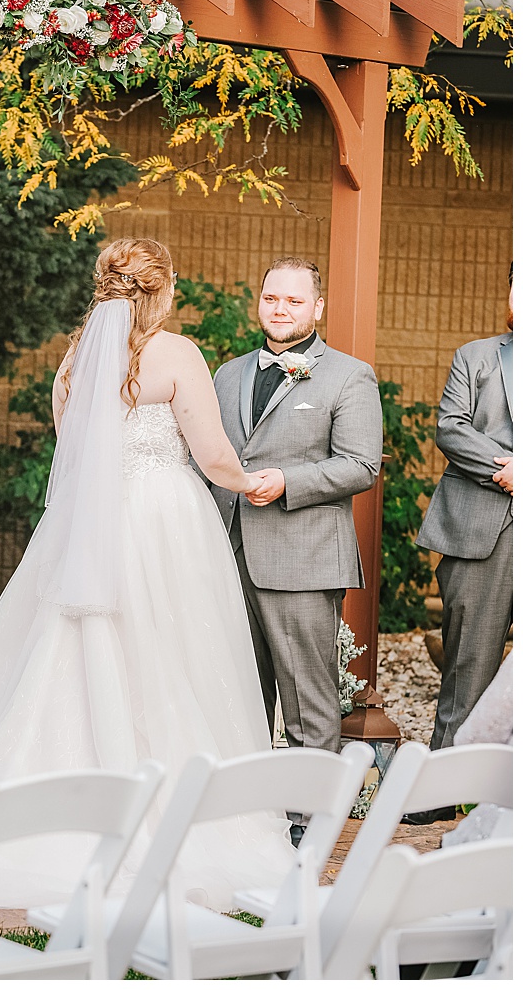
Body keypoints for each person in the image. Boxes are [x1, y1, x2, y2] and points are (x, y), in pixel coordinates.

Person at [0, 238, 295, 909]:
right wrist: (252, 481)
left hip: (85, 528)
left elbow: (72, 446)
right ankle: (166, 805)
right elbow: (214, 451)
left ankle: (50, 793)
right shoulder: (178, 355)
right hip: (162, 524)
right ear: (162, 291)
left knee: (62, 656)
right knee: (171, 657)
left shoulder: (77, 359)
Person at [209, 257, 383, 779]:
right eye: (271, 298)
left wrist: (288, 481)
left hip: (302, 559)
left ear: (317, 307)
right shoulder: (227, 373)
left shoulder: (350, 375)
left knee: (308, 697)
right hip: (226, 553)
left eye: (293, 300)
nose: (279, 309)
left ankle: (308, 821)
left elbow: (361, 465)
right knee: (237, 692)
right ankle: (247, 815)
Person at [416, 285, 512, 755]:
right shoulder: (475, 357)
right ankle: (446, 786)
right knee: (468, 663)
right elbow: (451, 427)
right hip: (483, 528)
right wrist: (509, 468)